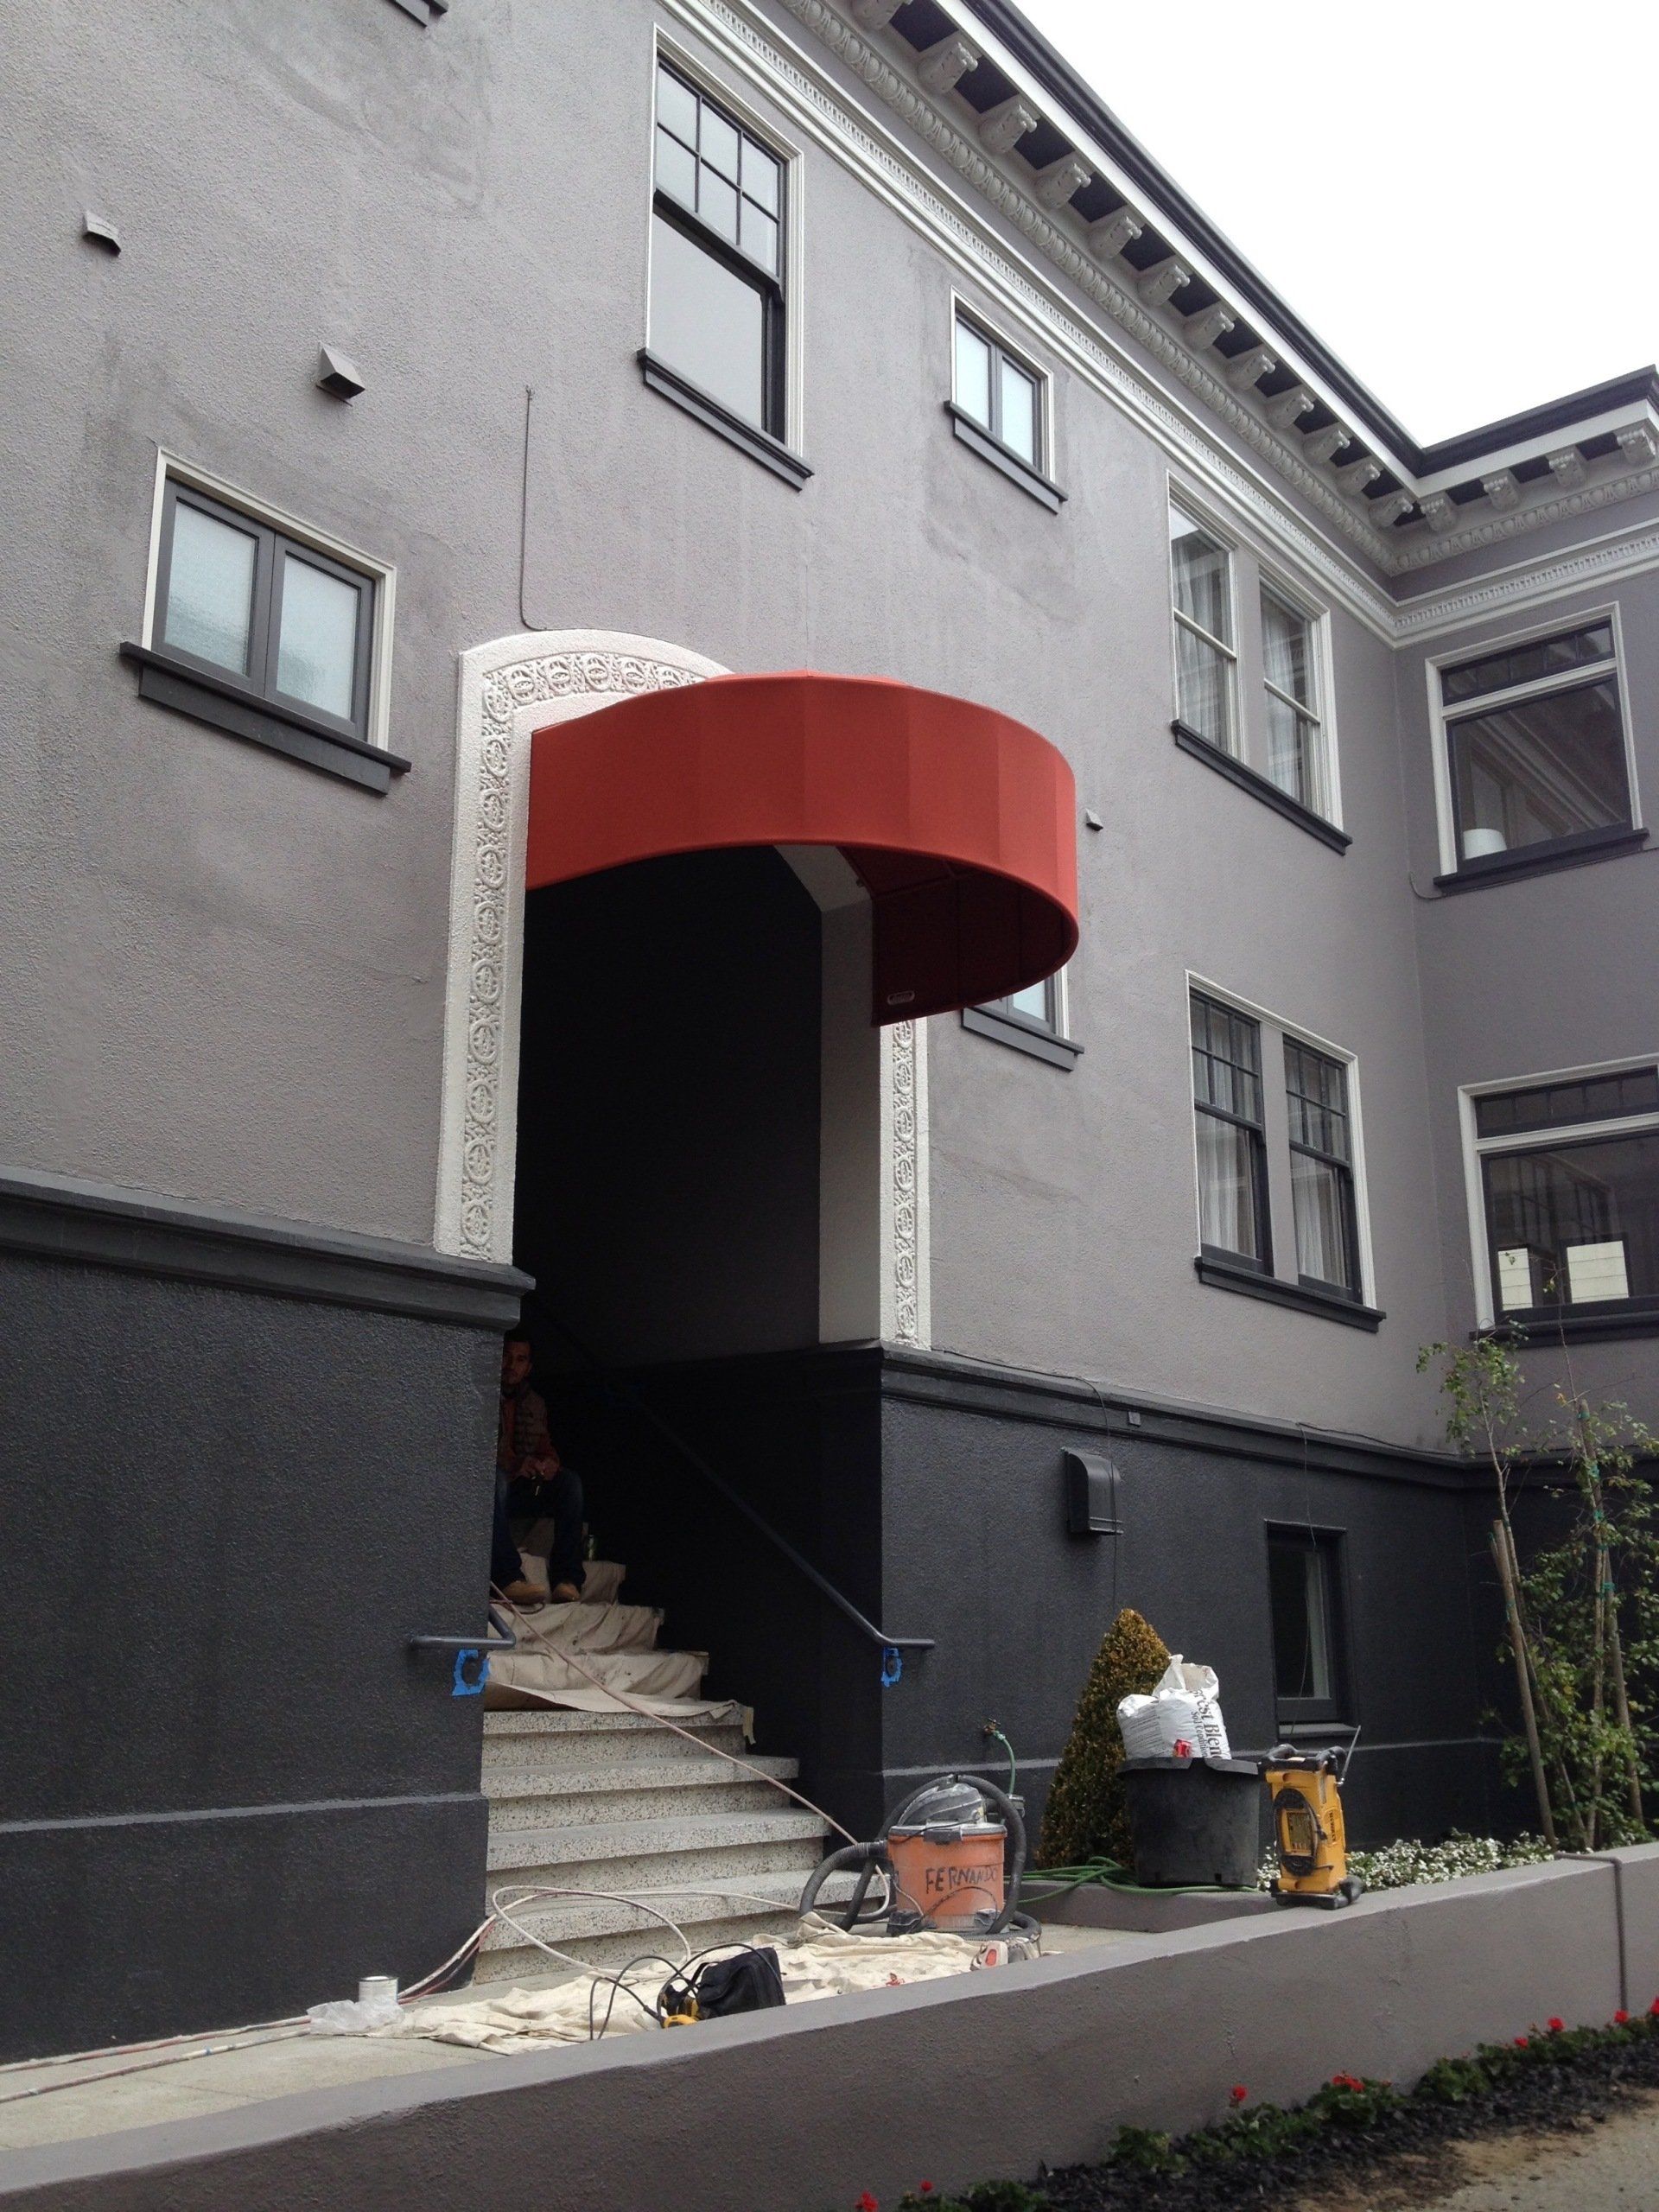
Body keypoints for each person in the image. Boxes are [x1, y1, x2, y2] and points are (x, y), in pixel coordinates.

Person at [494, 1334, 586, 1605]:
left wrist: (548, 1464)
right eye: (506, 1356)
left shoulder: (534, 1403)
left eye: (520, 1359)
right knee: (496, 1480)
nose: (511, 1365)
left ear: (528, 1368)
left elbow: (544, 1446)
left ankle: (567, 1579)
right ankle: (507, 1578)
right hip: (491, 1489)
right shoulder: (483, 1393)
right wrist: (514, 1465)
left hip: (520, 1489)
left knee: (569, 1483)